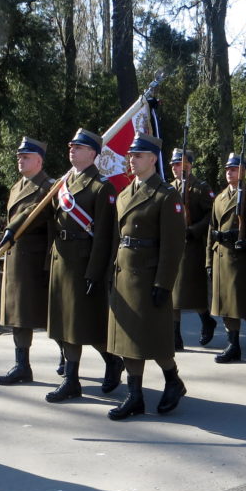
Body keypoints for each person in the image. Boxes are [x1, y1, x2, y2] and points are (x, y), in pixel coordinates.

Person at [36, 128, 122, 403]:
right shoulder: (63, 184)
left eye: (78, 147)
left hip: (83, 263)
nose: (72, 150)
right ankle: (75, 378)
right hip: (61, 259)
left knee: (82, 324)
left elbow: (105, 236)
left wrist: (96, 272)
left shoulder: (102, 187)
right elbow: (49, 222)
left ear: (93, 153)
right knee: (64, 323)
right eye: (71, 146)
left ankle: (102, 364)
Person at [107, 133, 187, 420]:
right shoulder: (124, 194)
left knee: (153, 338)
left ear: (153, 159)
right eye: (131, 155)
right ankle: (135, 396)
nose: (132, 159)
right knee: (127, 339)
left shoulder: (166, 195)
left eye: (138, 155)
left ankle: (173, 380)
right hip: (123, 273)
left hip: (147, 275)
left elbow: (173, 245)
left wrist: (164, 283)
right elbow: (116, 238)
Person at [0, 137, 56, 386]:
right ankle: (22, 365)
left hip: (36, 260)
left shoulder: (48, 187)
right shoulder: (16, 186)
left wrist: (12, 229)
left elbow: (36, 215)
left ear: (39, 161)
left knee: (53, 316)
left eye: (26, 157)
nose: (20, 160)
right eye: (19, 156)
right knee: (19, 315)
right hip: (16, 260)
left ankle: (77, 359)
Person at [207, 153, 246, 362]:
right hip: (221, 256)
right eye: (227, 169)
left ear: (244, 172)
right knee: (225, 304)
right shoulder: (220, 198)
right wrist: (209, 261)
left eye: (233, 169)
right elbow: (211, 230)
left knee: (242, 303)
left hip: (241, 258)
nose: (229, 173)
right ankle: (233, 344)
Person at [170, 148, 216, 349]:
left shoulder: (200, 188)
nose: (175, 168)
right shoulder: (170, 188)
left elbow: (211, 216)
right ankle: (175, 336)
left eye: (179, 164)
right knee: (172, 293)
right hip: (174, 245)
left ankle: (207, 320)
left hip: (193, 247)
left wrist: (194, 230)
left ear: (189, 166)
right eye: (173, 165)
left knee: (193, 292)